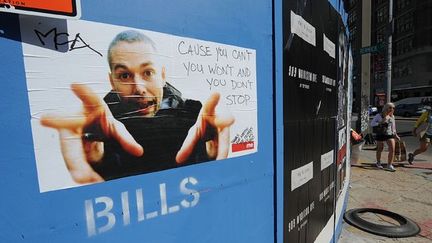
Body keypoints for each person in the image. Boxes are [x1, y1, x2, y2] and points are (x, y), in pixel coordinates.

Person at [40, 30, 235, 183]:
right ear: (112, 81)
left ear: (163, 75)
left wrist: (210, 151)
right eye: (125, 75)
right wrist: (95, 157)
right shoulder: (99, 127)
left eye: (148, 72)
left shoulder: (194, 116)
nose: (139, 88)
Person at [371, 102, 400, 172]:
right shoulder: (379, 115)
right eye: (390, 107)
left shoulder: (392, 116)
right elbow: (372, 124)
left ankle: (389, 165)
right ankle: (378, 162)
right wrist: (382, 121)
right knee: (380, 149)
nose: (391, 109)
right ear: (386, 108)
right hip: (381, 133)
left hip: (389, 134)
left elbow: (393, 127)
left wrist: (395, 135)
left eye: (393, 108)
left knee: (392, 149)